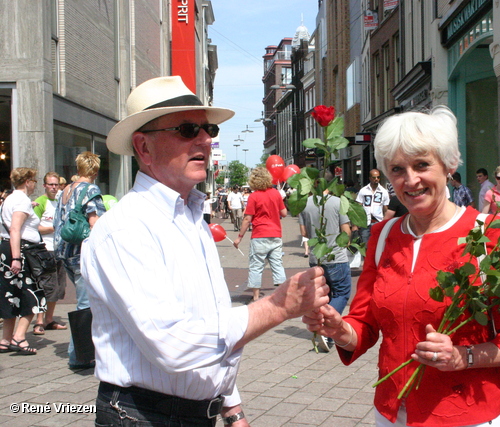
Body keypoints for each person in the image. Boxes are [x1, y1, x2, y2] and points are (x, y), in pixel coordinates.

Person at [83, 76, 328, 426]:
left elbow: (209, 318)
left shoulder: (191, 216)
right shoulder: (126, 228)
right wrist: (277, 306)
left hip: (193, 412)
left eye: (208, 129)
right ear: (144, 147)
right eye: (187, 129)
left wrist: (231, 405)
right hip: (143, 416)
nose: (205, 139)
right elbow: (173, 343)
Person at [303, 107, 500, 427]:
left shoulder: (489, 235)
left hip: (464, 414)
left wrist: (463, 357)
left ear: (449, 166)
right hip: (391, 413)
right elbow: (364, 323)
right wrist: (340, 330)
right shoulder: (382, 236)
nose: (410, 180)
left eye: (422, 165)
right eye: (397, 169)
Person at [54, 151, 105, 369]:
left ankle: (84, 351)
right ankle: (79, 356)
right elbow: (95, 222)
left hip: (64, 250)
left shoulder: (66, 189)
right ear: (95, 169)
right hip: (81, 252)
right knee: (86, 304)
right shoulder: (91, 189)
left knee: (86, 300)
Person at [299, 184, 352, 352]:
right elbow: (346, 231)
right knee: (342, 292)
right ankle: (326, 328)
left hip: (316, 257)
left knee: (324, 295)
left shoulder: (305, 204)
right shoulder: (338, 202)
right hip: (336, 256)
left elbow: (304, 233)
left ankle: (321, 331)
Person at [0, 168, 46, 355]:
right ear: (27, 181)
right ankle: (19, 337)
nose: (35, 183)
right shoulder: (21, 200)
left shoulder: (10, 198)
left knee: (11, 295)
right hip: (20, 251)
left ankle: (5, 339)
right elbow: (15, 229)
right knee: (34, 294)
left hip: (7, 249)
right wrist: (17, 258)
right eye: (34, 180)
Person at [234, 167, 287, 303]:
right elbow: (284, 213)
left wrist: (240, 237)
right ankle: (282, 296)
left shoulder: (254, 196)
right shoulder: (275, 193)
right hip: (275, 234)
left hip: (259, 235)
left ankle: (256, 297)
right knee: (277, 264)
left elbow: (247, 218)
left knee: (256, 266)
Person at [32, 172, 67, 335]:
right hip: (45, 250)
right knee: (45, 286)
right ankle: (39, 321)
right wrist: (55, 227)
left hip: (59, 249)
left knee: (58, 287)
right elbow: (34, 226)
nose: (54, 187)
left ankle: (49, 319)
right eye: (51, 184)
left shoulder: (61, 200)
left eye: (56, 184)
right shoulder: (40, 202)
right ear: (44, 185)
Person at [355, 169, 390, 248]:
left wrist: (386, 221)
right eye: (374, 177)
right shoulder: (363, 191)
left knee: (378, 244)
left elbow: (385, 208)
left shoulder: (383, 191)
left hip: (378, 221)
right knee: (365, 244)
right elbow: (358, 207)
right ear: (370, 178)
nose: (376, 179)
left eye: (378, 177)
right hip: (365, 222)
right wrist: (356, 223)